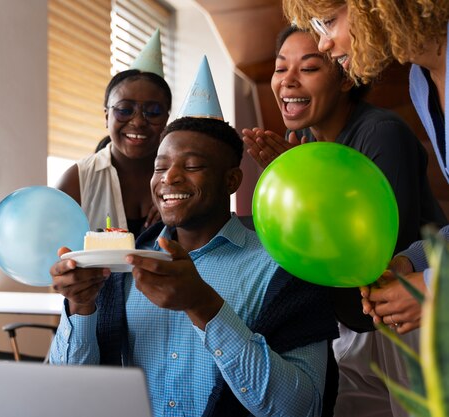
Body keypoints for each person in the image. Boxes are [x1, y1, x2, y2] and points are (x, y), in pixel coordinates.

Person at [49, 58, 339, 417]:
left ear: (231, 181)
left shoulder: (283, 267)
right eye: (159, 166)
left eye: (191, 166)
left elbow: (302, 408)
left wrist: (204, 306)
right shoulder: (123, 267)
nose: (169, 178)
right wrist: (80, 307)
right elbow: (69, 392)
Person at [242, 25, 446, 417]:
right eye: (280, 68)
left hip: (412, 313)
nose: (288, 81)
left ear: (345, 77)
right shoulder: (304, 147)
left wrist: (304, 183)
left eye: (310, 68)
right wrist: (294, 176)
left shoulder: (380, 133)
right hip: (350, 320)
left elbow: (381, 257)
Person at [281, 0, 449, 336]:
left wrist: (434, 288)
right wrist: (413, 262)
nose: (324, 43)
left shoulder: (381, 130)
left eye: (328, 22)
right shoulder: (420, 79)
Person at [56, 30, 171, 238]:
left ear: (166, 119)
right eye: (125, 110)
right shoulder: (78, 180)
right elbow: (53, 252)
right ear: (107, 116)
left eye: (153, 112)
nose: (138, 122)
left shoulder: (179, 179)